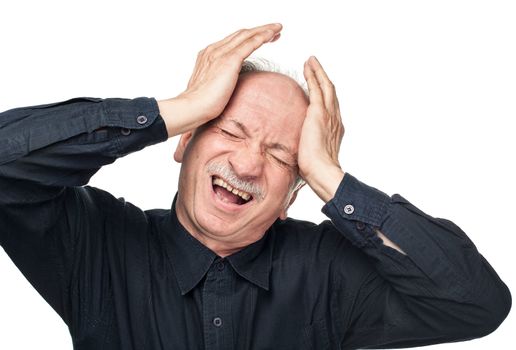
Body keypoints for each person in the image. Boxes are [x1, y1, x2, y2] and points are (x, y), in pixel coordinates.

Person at [0, 23, 511, 349]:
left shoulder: (328, 271)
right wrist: (179, 110)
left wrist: (331, 177)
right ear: (184, 144)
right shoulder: (95, 244)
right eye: (229, 130)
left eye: (280, 155)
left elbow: (477, 303)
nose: (246, 163)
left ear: (294, 194)